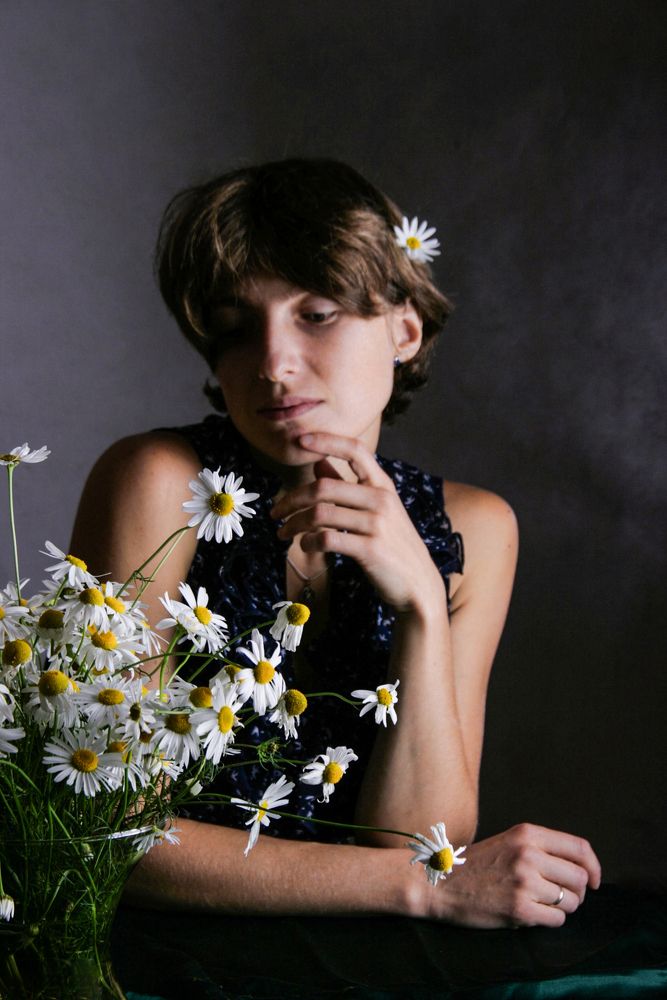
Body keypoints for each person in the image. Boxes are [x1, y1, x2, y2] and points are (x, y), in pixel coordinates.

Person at [70, 158, 600, 928]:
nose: (273, 365)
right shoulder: (158, 480)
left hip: (366, 950)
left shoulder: (477, 527)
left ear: (403, 330)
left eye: (316, 313)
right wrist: (423, 887)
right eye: (234, 328)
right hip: (169, 947)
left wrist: (421, 605)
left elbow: (420, 839)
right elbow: (109, 830)